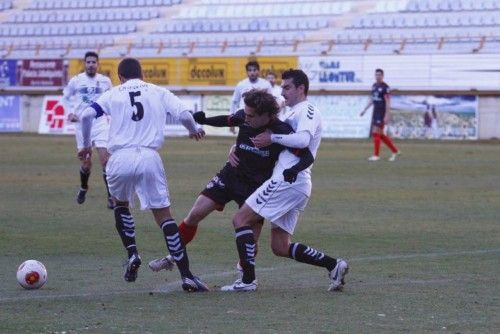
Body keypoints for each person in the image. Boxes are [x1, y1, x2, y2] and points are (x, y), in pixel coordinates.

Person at [148, 89, 315, 273]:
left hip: (256, 188)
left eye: (251, 115)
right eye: (246, 113)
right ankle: (172, 256)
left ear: (265, 116)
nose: (246, 118)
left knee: (251, 242)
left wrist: (293, 170)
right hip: (230, 176)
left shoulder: (281, 131)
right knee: (194, 216)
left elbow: (306, 155)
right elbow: (226, 120)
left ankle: (245, 276)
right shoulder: (245, 116)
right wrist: (204, 120)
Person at [78, 58, 208, 292]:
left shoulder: (113, 93)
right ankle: (187, 275)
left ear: (120, 77)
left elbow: (86, 115)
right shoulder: (158, 91)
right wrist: (194, 130)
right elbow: (186, 115)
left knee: (120, 205)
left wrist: (87, 146)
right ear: (143, 74)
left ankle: (132, 254)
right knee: (165, 217)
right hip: (149, 157)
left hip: (119, 158)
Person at [220, 69, 348, 292]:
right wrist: (237, 146)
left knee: (241, 219)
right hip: (296, 183)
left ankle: (247, 281)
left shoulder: (307, 109)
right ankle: (334, 265)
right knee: (280, 247)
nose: (283, 91)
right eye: (282, 87)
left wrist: (272, 138)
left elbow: (303, 140)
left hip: (288, 179)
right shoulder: (289, 112)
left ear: (301, 88)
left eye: (287, 87)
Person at [63, 51, 113, 208]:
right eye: (88, 62)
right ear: (84, 64)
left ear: (98, 64)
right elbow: (65, 97)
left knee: (106, 160)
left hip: (100, 123)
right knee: (86, 164)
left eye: (93, 62)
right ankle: (84, 187)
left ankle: (111, 196)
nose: (91, 64)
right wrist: (70, 112)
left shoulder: (105, 81)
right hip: (82, 126)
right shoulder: (76, 81)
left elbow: (112, 100)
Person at [360, 68, 400, 162]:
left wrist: (387, 114)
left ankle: (376, 155)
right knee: (380, 134)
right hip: (376, 112)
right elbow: (372, 100)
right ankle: (395, 151)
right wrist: (365, 110)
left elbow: (388, 102)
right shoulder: (374, 86)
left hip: (382, 113)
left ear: (382, 76)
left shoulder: (385, 87)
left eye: (379, 75)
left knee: (375, 133)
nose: (377, 76)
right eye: (376, 75)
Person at [229, 61, 272, 134]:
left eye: (254, 70)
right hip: (244, 117)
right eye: (250, 70)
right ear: (247, 72)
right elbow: (234, 102)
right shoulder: (241, 84)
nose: (252, 72)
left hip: (260, 118)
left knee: (258, 141)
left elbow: (270, 103)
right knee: (243, 141)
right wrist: (231, 120)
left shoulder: (265, 84)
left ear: (258, 71)